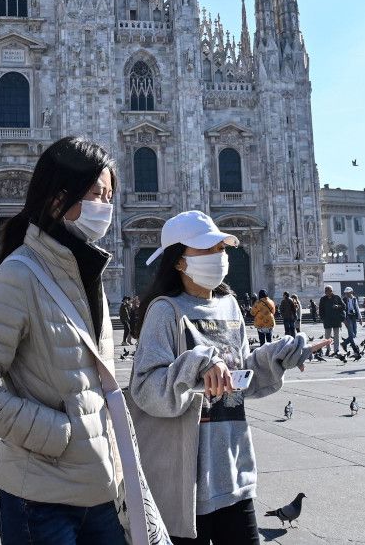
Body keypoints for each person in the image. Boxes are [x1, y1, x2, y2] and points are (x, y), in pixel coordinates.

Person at [0, 136, 126, 544]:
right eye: (95, 194)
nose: (105, 206)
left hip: (101, 491)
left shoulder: (87, 273)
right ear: (56, 198)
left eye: (109, 195)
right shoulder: (18, 275)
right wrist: (59, 435)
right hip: (41, 503)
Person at [130, 210, 327, 544]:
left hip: (233, 471)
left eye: (220, 248)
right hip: (185, 482)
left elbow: (239, 379)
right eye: (207, 250)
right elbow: (145, 389)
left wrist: (277, 356)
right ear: (179, 261)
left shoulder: (230, 307)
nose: (219, 256)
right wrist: (199, 364)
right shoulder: (165, 311)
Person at [319, 286, 345, 357]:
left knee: (336, 336)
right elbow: (320, 309)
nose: (326, 292)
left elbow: (343, 306)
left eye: (328, 291)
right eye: (325, 291)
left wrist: (338, 306)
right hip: (327, 320)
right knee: (327, 336)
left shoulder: (337, 297)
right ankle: (328, 349)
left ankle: (336, 350)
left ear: (331, 291)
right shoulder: (323, 299)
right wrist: (322, 318)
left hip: (336, 319)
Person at [341, 288, 362, 356]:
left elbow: (357, 307)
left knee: (354, 334)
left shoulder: (354, 299)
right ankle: (355, 349)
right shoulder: (344, 299)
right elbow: (342, 310)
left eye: (348, 293)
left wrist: (360, 318)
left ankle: (344, 344)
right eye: (346, 293)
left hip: (353, 317)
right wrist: (344, 320)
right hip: (348, 318)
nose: (347, 294)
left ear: (351, 292)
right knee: (351, 334)